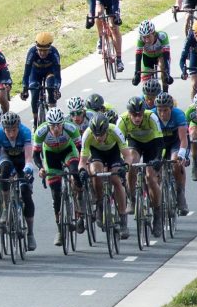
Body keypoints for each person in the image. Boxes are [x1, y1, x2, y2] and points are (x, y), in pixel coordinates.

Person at [0, 111, 37, 251]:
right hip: (6, 158)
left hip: (22, 160)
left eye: (14, 130)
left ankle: (30, 233)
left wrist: (27, 171)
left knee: (26, 193)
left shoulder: (25, 132)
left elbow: (28, 158)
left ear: (18, 127)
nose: (11, 133)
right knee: (4, 171)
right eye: (8, 130)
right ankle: (5, 207)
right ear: (3, 129)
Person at [33, 107, 83, 246]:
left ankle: (80, 200)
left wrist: (81, 165)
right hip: (50, 155)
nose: (56, 129)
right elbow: (36, 155)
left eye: (59, 125)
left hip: (68, 150)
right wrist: (41, 168)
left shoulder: (71, 128)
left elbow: (80, 148)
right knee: (56, 194)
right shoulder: (41, 132)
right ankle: (60, 230)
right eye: (53, 126)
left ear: (63, 123)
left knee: (75, 172)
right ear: (48, 125)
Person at [78, 113, 130, 239]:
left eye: (101, 134)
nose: (98, 138)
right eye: (96, 134)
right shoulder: (87, 134)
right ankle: (100, 205)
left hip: (114, 153)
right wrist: (82, 171)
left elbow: (127, 155)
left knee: (116, 180)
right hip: (97, 154)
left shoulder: (115, 131)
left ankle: (123, 220)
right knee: (95, 174)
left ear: (106, 130)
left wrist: (125, 167)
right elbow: (82, 161)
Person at [119, 96, 165, 237]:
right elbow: (118, 146)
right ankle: (132, 198)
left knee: (151, 177)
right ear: (129, 113)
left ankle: (157, 213)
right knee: (132, 162)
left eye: (140, 114)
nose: (137, 118)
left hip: (153, 145)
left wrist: (158, 158)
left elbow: (160, 142)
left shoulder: (151, 117)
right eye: (134, 114)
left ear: (143, 112)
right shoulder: (122, 120)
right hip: (135, 143)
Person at [153, 91, 190, 215]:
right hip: (160, 143)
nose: (162, 114)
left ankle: (180, 194)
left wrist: (181, 155)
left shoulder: (178, 114)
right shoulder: (152, 115)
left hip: (175, 142)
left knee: (176, 164)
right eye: (160, 110)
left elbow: (183, 139)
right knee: (154, 168)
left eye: (166, 110)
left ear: (171, 108)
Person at [86, 0, 125, 74]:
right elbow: (92, 3)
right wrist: (91, 18)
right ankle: (100, 38)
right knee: (98, 13)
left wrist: (116, 14)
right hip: (100, 1)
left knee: (114, 27)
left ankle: (119, 59)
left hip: (111, 2)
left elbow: (116, 3)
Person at [21, 31, 61, 128]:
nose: (42, 53)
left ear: (50, 48)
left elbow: (57, 75)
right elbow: (26, 73)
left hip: (49, 72)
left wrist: (56, 89)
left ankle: (53, 115)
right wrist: (25, 88)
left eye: (45, 50)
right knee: (34, 92)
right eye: (40, 50)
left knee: (51, 86)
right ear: (36, 48)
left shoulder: (54, 53)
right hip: (35, 73)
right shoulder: (31, 52)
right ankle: (35, 122)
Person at [132, 19, 174, 87]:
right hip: (147, 57)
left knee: (163, 67)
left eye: (148, 36)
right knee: (145, 82)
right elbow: (138, 57)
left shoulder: (162, 36)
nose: (146, 40)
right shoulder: (140, 40)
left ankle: (165, 91)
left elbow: (166, 55)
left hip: (161, 55)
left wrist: (167, 73)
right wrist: (137, 74)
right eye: (144, 37)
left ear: (154, 33)